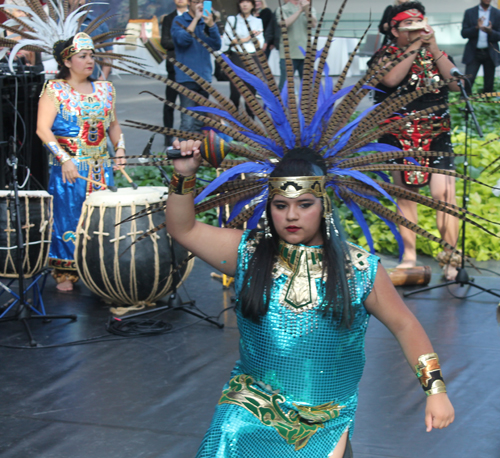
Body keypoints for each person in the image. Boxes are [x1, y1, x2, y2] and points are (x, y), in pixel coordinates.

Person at [165, 141, 455, 457]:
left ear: (324, 206)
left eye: (304, 204)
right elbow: (183, 228)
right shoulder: (247, 252)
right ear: (269, 207)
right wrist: (184, 175)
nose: (291, 215)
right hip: (249, 411)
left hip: (324, 421)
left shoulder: (358, 269)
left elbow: (405, 325)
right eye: (280, 205)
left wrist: (435, 390)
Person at [373, 1, 461, 281]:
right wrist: (412, 47)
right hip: (399, 135)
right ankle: (409, 257)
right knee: (406, 197)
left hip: (436, 133)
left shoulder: (434, 53)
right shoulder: (384, 55)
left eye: (419, 23)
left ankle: (451, 255)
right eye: (408, 25)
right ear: (394, 29)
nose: (415, 29)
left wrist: (433, 47)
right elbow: (390, 79)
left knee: (445, 197)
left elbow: (456, 83)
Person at [36, 33, 126, 291]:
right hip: (70, 169)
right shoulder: (55, 90)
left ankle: (99, 267)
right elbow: (43, 129)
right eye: (82, 56)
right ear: (67, 61)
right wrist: (64, 159)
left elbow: (114, 124)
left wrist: (119, 148)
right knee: (68, 217)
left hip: (100, 167)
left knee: (101, 219)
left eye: (91, 55)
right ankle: (65, 272)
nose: (90, 60)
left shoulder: (105, 89)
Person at [171, 0, 221, 134]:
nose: (199, 5)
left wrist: (211, 24)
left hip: (204, 77)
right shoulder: (179, 20)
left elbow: (216, 45)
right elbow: (182, 41)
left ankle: (196, 153)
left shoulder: (206, 22)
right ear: (189, 3)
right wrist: (196, 19)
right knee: (187, 121)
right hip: (186, 78)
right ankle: (184, 152)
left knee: (200, 122)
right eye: (196, 2)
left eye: (202, 2)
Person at [222, 0, 264, 117]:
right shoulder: (232, 19)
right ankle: (234, 126)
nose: (244, 5)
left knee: (251, 96)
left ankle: (251, 128)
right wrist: (247, 39)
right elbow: (227, 39)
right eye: (242, 2)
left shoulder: (257, 21)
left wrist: (238, 40)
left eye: (247, 2)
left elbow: (260, 42)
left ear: (252, 4)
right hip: (237, 57)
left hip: (252, 58)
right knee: (235, 93)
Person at [161, 0, 189, 146]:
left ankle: (189, 137)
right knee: (169, 104)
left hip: (191, 68)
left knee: (190, 105)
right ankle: (168, 136)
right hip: (174, 67)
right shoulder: (168, 18)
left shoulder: (194, 17)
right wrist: (183, 40)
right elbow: (165, 42)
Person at [275, 0, 317, 91]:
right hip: (288, 53)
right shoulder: (282, 9)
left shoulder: (310, 8)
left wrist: (306, 10)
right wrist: (299, 11)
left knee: (308, 86)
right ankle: (282, 105)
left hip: (306, 53)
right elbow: (284, 24)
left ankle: (308, 105)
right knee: (285, 85)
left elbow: (313, 24)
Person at [461, 0, 500, 94]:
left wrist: (490, 31)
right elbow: (464, 33)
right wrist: (476, 28)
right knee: (469, 80)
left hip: (490, 53)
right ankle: (465, 104)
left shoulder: (497, 13)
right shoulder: (470, 12)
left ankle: (487, 104)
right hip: (473, 53)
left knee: (489, 83)